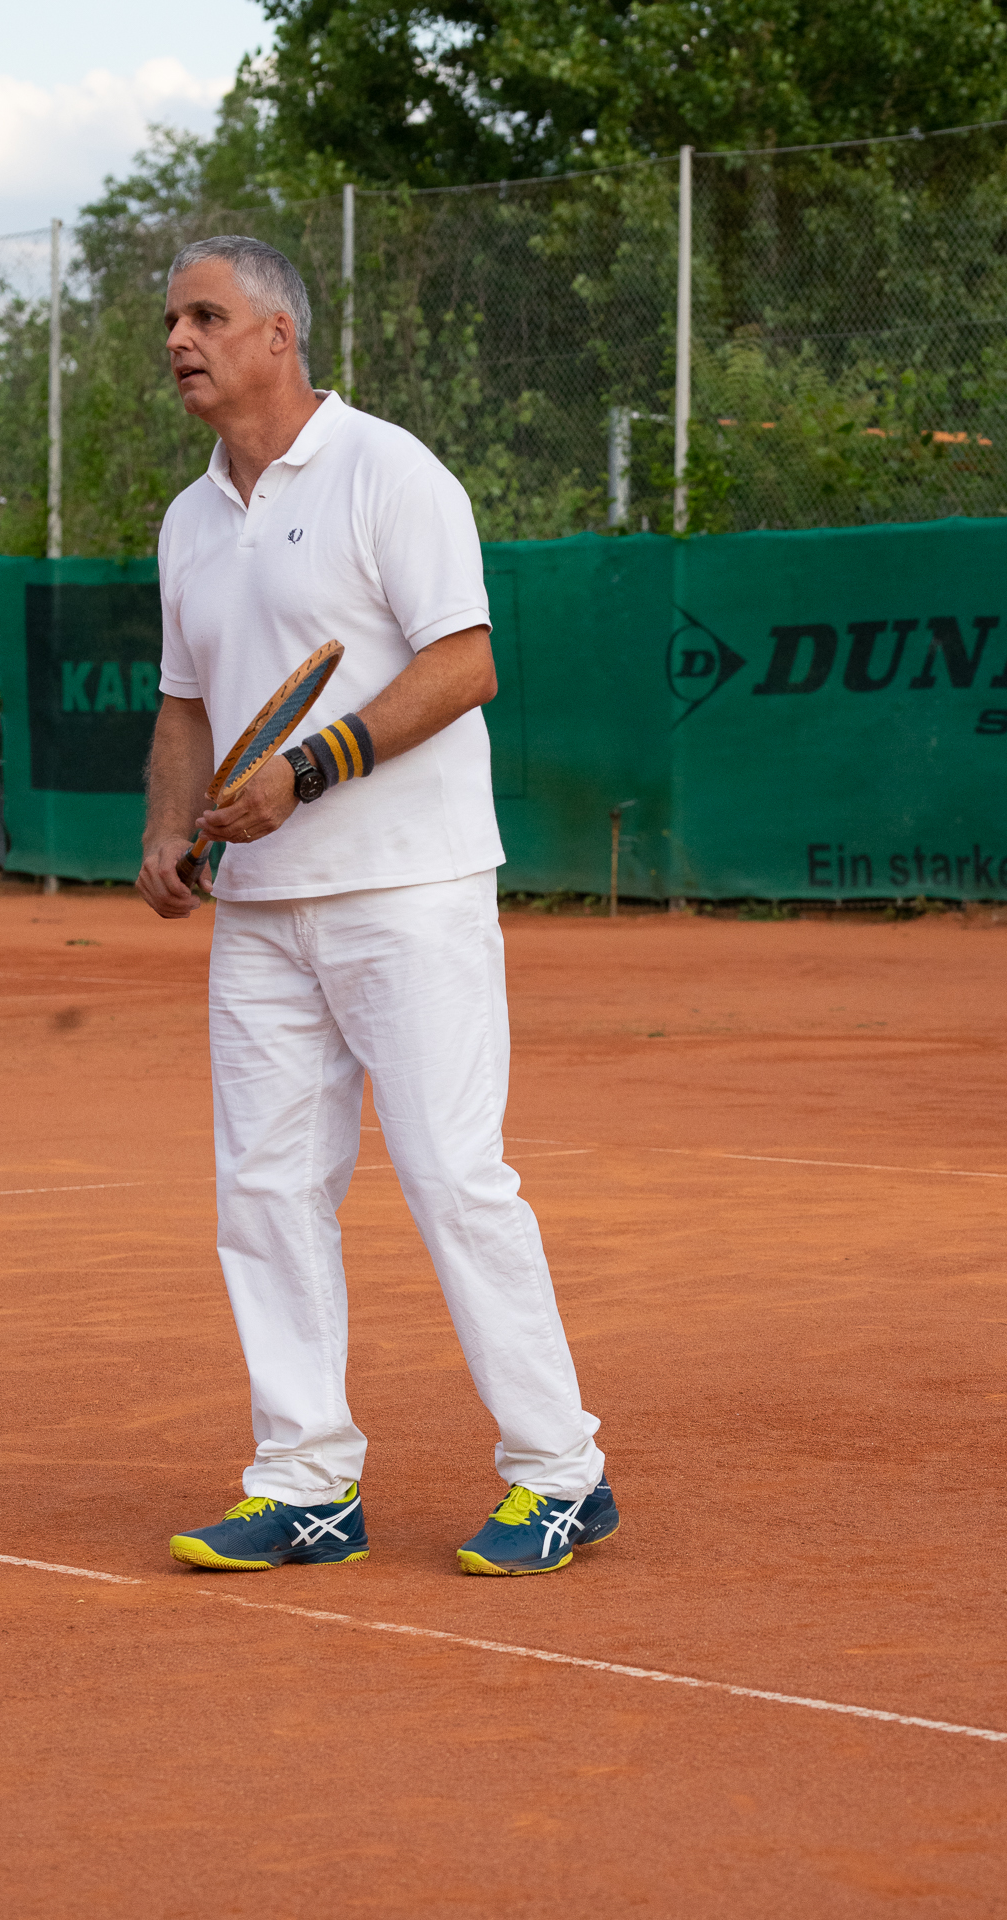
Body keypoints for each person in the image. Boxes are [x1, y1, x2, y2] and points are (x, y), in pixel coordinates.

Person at [136, 235, 616, 1577]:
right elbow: (185, 704)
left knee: (456, 1177)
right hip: (261, 913)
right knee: (267, 1191)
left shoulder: (388, 471)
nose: (178, 340)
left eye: (204, 316)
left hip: (409, 891)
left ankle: (560, 1472)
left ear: (277, 334)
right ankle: (304, 1483)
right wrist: (167, 828)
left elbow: (466, 666)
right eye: (171, 320)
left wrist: (306, 769)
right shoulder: (189, 520)